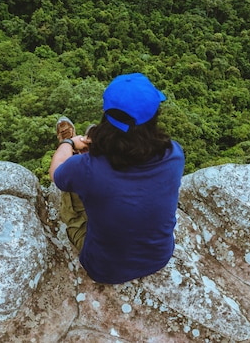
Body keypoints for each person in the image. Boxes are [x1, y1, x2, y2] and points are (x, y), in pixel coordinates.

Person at [49, 73, 185, 284]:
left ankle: (80, 144)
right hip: (158, 257)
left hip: (103, 268)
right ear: (154, 116)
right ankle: (91, 145)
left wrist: (68, 143)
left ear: (106, 113)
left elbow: (55, 174)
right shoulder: (174, 154)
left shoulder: (87, 170)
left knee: (70, 182)